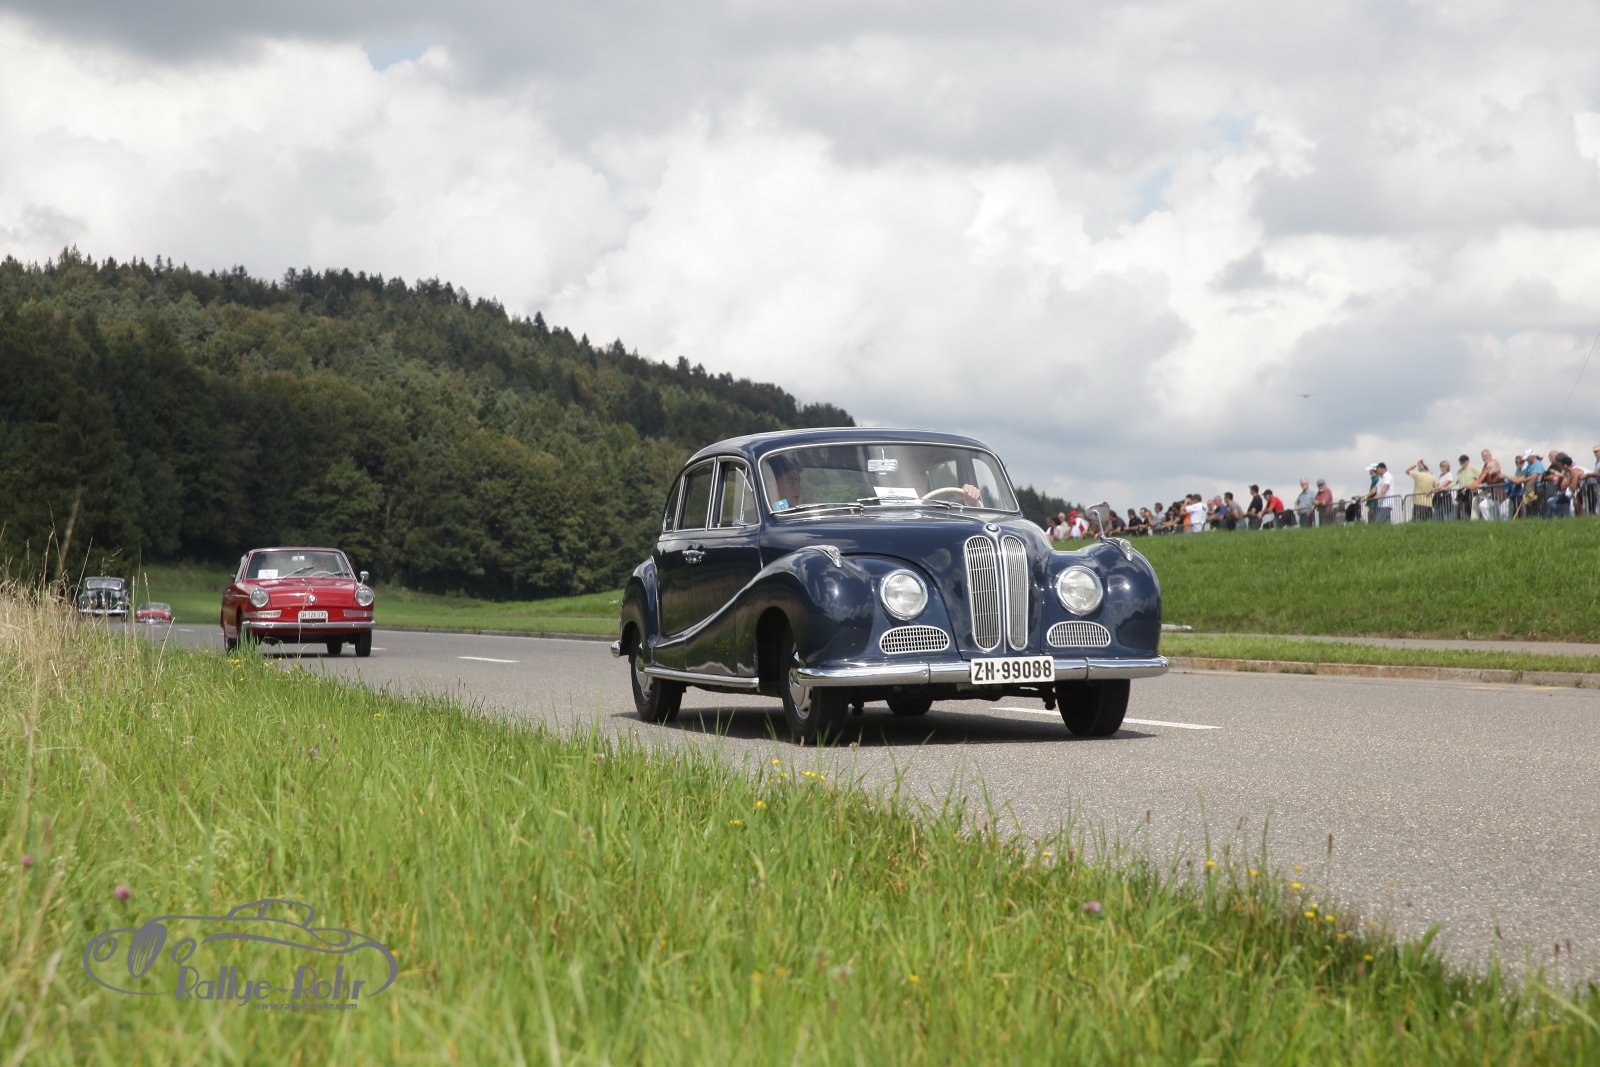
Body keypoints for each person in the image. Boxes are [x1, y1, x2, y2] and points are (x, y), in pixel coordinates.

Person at [1466, 449, 1503, 520]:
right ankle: (1476, 519)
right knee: (1479, 502)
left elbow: (1484, 477)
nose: (1484, 458)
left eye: (1485, 456)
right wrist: (1476, 485)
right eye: (1482, 456)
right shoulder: (1485, 465)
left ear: (1490, 455)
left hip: (1497, 491)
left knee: (1494, 508)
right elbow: (1481, 478)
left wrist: (1474, 485)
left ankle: (1477, 520)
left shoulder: (1493, 463)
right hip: (1489, 490)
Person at [1454, 453, 1478, 520]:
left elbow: (1480, 477)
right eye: (1460, 462)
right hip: (1462, 491)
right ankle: (1460, 519)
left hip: (1471, 491)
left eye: (1463, 461)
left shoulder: (1472, 469)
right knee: (1458, 504)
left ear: (1467, 461)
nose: (1461, 463)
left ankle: (1474, 519)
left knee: (1471, 506)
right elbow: (1454, 481)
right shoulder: (1459, 471)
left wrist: (1474, 484)